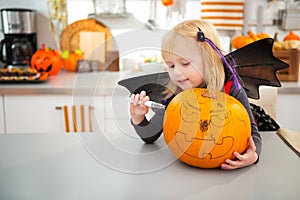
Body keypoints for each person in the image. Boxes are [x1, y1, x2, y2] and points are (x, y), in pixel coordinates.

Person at [129, 19, 262, 170]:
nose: (176, 72)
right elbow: (149, 137)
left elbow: (252, 131)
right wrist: (138, 118)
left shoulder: (231, 87)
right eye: (171, 65)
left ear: (210, 60)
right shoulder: (174, 95)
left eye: (184, 63)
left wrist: (254, 155)